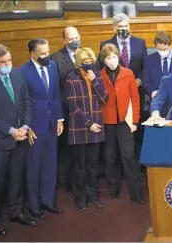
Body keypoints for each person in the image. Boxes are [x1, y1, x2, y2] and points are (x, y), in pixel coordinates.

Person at [0, 44, 35, 236]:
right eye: (2, 62)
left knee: (17, 178)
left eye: (9, 60)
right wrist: (10, 131)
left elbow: (26, 102)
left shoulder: (17, 75)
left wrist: (24, 127)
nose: (7, 64)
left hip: (21, 137)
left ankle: (16, 212)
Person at [20, 38, 64, 219]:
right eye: (43, 53)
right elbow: (23, 102)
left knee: (50, 164)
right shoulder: (22, 72)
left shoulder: (53, 66)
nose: (47, 56)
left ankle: (48, 201)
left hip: (52, 123)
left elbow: (55, 95)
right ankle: (35, 204)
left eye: (48, 52)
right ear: (32, 53)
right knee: (34, 165)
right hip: (35, 126)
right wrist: (27, 126)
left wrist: (60, 117)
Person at [99, 12, 148, 170]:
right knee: (112, 144)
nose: (124, 29)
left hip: (135, 92)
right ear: (114, 28)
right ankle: (117, 171)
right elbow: (103, 69)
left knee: (133, 135)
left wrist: (137, 81)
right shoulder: (106, 44)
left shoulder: (140, 43)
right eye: (120, 27)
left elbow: (145, 68)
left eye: (126, 26)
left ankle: (136, 168)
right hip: (113, 99)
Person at [99, 43, 145, 205]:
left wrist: (134, 121)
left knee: (128, 155)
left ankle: (135, 192)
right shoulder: (100, 75)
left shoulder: (128, 73)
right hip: (108, 121)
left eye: (114, 57)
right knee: (109, 156)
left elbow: (135, 98)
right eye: (108, 58)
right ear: (103, 60)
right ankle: (113, 186)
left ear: (118, 57)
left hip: (126, 121)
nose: (112, 60)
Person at [65, 47, 109, 210]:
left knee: (92, 165)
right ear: (79, 64)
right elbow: (72, 106)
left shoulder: (96, 76)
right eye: (85, 62)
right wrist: (88, 123)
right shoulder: (71, 78)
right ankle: (80, 198)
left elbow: (105, 98)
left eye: (91, 62)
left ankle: (92, 196)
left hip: (96, 127)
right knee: (79, 166)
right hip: (80, 127)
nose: (89, 64)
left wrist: (95, 81)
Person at [51, 26, 81, 189]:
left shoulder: (85, 54)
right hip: (67, 110)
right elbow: (55, 88)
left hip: (84, 110)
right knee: (67, 149)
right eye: (71, 39)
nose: (75, 41)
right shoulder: (55, 58)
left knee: (82, 149)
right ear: (64, 41)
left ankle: (82, 180)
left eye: (76, 37)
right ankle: (68, 182)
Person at [143, 31, 172, 101]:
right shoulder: (149, 60)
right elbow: (146, 81)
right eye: (159, 49)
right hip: (156, 99)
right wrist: (153, 92)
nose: (162, 52)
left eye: (165, 49)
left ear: (171, 45)